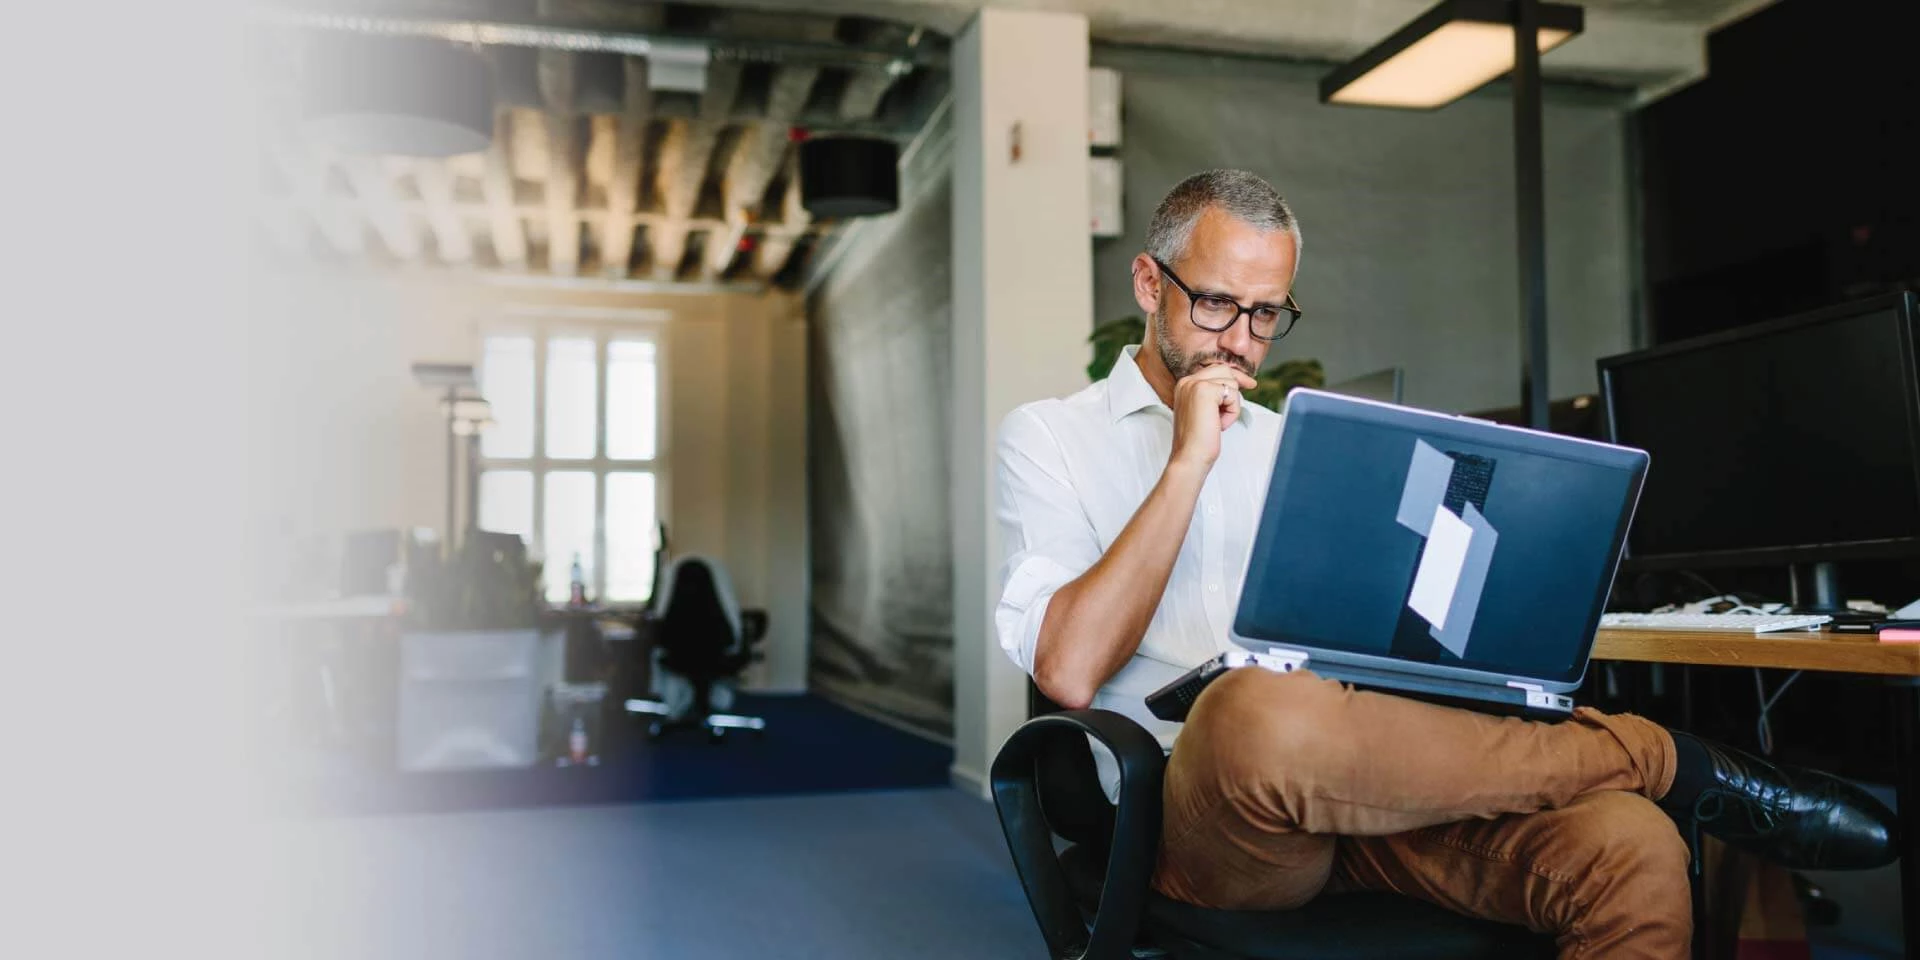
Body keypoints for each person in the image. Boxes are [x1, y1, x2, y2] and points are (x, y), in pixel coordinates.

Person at [993, 169, 1896, 959]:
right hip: (1201, 815)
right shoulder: (1050, 438)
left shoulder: (1299, 441)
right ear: (1150, 283)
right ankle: (1667, 757)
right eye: (1216, 303)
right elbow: (1068, 669)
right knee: (1254, 709)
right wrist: (1189, 461)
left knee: (1632, 845)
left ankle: (1652, 779)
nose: (1238, 339)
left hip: (1372, 782)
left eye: (1266, 313)